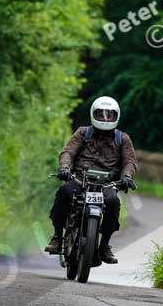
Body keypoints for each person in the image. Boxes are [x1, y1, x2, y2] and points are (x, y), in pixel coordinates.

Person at [45, 96, 137, 264]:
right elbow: (68, 152)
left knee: (113, 202)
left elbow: (129, 162)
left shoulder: (122, 138)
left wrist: (127, 176)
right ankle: (58, 236)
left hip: (107, 184)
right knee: (64, 192)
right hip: (80, 179)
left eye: (109, 115)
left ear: (116, 116)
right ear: (93, 114)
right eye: (101, 114)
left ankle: (104, 245)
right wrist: (64, 167)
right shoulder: (83, 132)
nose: (105, 118)